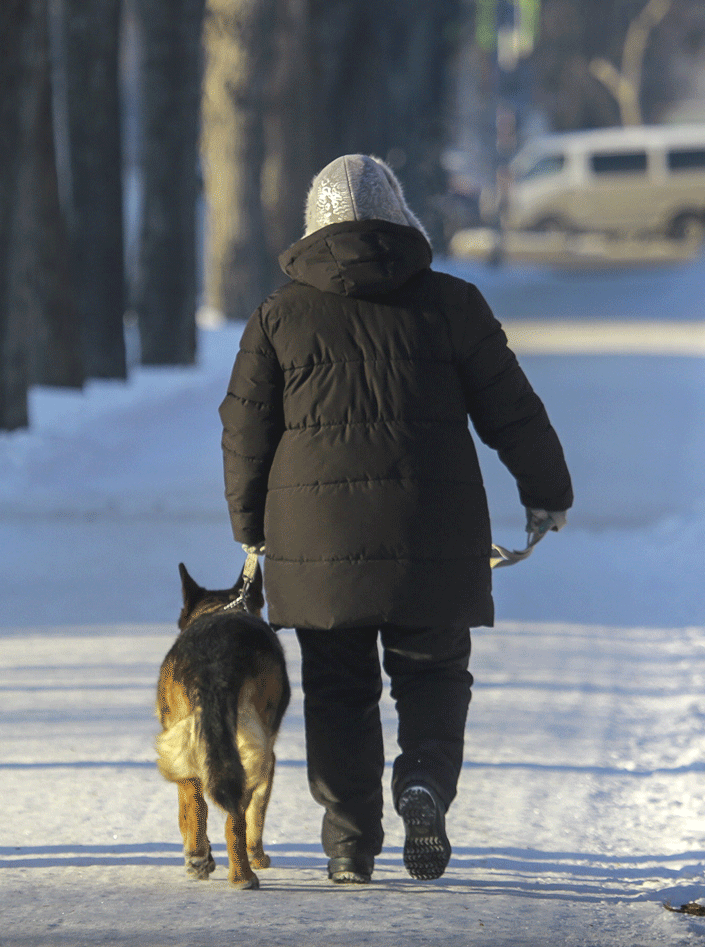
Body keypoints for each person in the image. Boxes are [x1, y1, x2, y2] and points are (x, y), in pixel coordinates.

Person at [219, 154, 573, 884]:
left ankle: (349, 841)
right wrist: (547, 492)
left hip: (318, 542)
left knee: (341, 686)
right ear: (399, 218)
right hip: (432, 531)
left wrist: (249, 527)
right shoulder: (454, 303)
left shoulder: (279, 315)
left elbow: (245, 429)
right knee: (433, 673)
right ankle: (423, 785)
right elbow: (512, 407)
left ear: (315, 226)